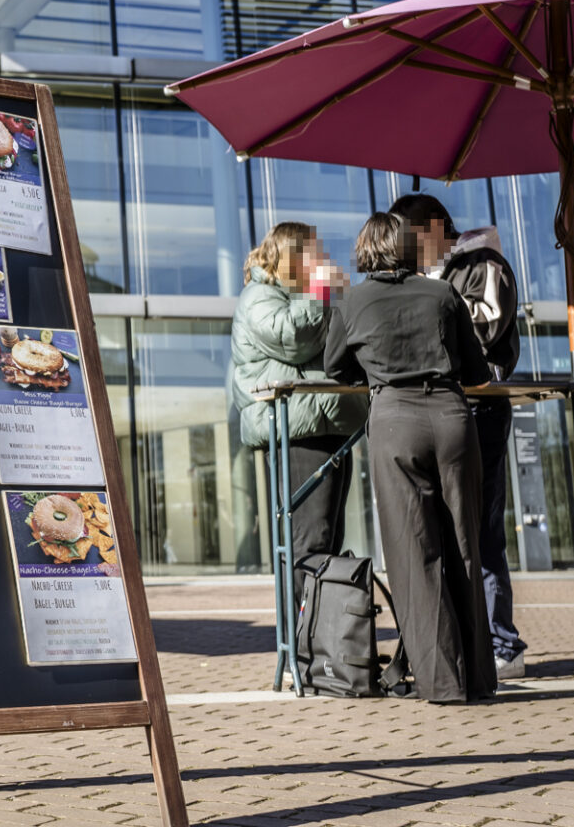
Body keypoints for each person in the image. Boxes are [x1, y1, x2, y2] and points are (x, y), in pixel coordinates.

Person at [325, 212, 495, 703]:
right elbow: (477, 369)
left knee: (413, 553)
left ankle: (443, 682)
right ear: (406, 247)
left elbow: (335, 367)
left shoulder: (352, 300)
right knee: (465, 544)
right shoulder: (441, 295)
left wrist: (375, 369)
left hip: (394, 421)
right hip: (451, 417)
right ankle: (480, 678)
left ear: (364, 250)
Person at [390, 193, 529, 681]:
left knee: (481, 531)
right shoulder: (431, 276)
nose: (405, 252)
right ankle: (464, 642)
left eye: (409, 241)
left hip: (478, 406)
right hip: (440, 408)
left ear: (431, 230)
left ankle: (501, 645)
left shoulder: (484, 263)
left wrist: (427, 314)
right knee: (445, 531)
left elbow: (485, 329)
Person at [226, 221, 362, 563]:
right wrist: (319, 292)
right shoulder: (259, 295)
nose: (320, 260)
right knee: (311, 537)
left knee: (328, 535)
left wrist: (340, 295)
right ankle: (305, 617)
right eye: (311, 253)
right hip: (297, 428)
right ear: (288, 256)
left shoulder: (306, 294)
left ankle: (321, 615)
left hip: (326, 421)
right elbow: (294, 339)